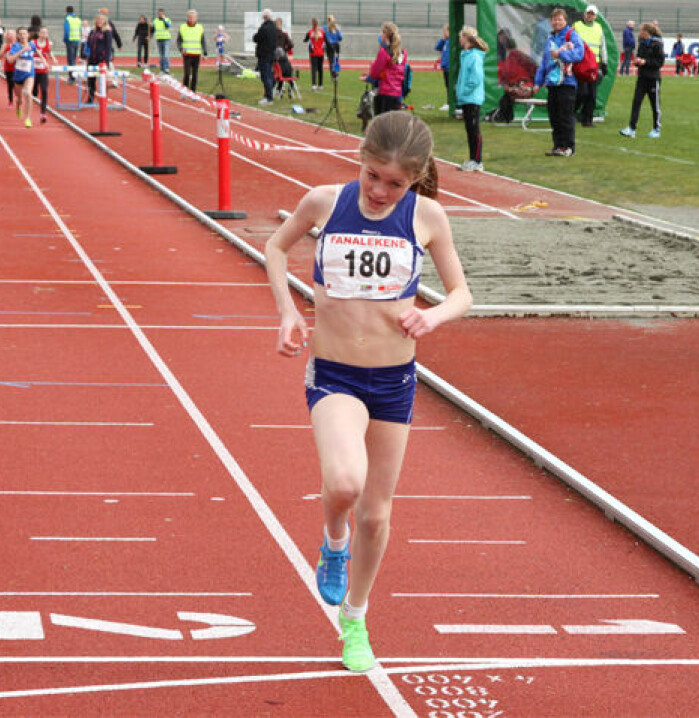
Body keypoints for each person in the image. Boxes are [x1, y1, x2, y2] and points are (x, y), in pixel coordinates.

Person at [264, 109, 472, 675]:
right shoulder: (324, 202)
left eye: (395, 183)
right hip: (333, 372)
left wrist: (436, 316)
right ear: (359, 160)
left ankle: (354, 620)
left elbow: (461, 293)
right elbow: (276, 248)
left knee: (377, 516)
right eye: (372, 176)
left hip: (394, 380)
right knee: (345, 483)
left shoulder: (426, 216)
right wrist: (288, 311)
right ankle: (334, 538)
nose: (380, 192)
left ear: (416, 179)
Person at [532, 8, 584, 157]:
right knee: (554, 116)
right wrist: (538, 81)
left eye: (560, 19)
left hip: (567, 82)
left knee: (565, 116)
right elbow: (544, 62)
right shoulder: (549, 40)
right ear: (551, 22)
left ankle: (568, 147)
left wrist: (561, 53)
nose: (557, 22)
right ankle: (558, 146)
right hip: (552, 83)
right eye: (554, 20)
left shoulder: (571, 35)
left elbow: (579, 54)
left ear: (565, 21)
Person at [619, 22, 664, 139]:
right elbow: (639, 56)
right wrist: (638, 62)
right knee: (636, 103)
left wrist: (646, 62)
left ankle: (656, 129)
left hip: (653, 79)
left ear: (646, 32)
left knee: (655, 105)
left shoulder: (657, 44)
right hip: (642, 77)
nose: (638, 33)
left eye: (640, 31)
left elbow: (659, 62)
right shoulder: (642, 43)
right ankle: (631, 128)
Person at [456, 26, 487, 172]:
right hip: (467, 98)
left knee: (474, 130)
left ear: (466, 38)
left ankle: (477, 161)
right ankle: (472, 159)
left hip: (472, 98)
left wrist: (465, 91)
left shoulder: (474, 56)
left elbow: (476, 78)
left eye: (461, 36)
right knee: (470, 129)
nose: (459, 39)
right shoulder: (466, 55)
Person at [572, 5, 607, 128]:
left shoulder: (599, 27)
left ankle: (587, 119)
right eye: (588, 13)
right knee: (582, 93)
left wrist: (605, 62)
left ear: (596, 16)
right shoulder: (577, 26)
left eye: (592, 14)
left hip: (594, 65)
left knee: (592, 94)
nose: (590, 16)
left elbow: (602, 46)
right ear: (584, 14)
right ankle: (572, 113)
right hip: (581, 64)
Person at [364, 22, 407, 117]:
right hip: (397, 93)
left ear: (385, 35)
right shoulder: (403, 53)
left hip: (385, 92)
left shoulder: (384, 52)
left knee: (382, 124)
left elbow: (375, 73)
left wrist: (368, 76)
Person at [8, 27, 36, 128]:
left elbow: (38, 52)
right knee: (19, 98)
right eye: (21, 34)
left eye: (25, 34)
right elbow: (10, 60)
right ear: (18, 36)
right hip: (18, 75)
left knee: (28, 93)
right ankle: (18, 106)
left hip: (29, 74)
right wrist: (22, 51)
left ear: (28, 35)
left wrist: (44, 61)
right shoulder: (15, 46)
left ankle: (28, 118)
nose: (23, 36)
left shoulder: (32, 45)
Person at [83, 13, 112, 103]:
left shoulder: (107, 32)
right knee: (91, 79)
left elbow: (108, 48)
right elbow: (88, 44)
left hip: (101, 59)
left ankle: (103, 98)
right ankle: (90, 98)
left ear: (104, 21)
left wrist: (106, 62)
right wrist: (86, 55)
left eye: (101, 20)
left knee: (102, 80)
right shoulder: (92, 32)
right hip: (92, 58)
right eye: (98, 19)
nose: (99, 21)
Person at [177, 9, 206, 94]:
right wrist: (181, 49)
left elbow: (203, 40)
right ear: (187, 17)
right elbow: (179, 40)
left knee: (195, 74)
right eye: (190, 17)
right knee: (187, 73)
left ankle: (193, 92)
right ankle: (185, 91)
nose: (191, 18)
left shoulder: (200, 27)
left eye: (193, 17)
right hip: (187, 55)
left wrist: (205, 52)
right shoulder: (183, 27)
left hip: (197, 55)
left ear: (196, 18)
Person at [253, 9, 278, 105]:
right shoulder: (274, 27)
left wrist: (256, 36)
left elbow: (256, 38)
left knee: (265, 76)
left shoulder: (264, 28)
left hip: (264, 54)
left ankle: (268, 97)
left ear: (264, 17)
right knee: (269, 75)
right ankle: (268, 94)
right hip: (271, 54)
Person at [32, 26, 55, 124]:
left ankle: (43, 113)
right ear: (39, 33)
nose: (44, 34)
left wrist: (53, 58)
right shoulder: (34, 43)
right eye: (42, 32)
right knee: (34, 91)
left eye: (46, 33)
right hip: (33, 71)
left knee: (44, 90)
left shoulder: (49, 43)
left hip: (43, 70)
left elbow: (49, 52)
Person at [305, 18, 325, 90]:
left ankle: (314, 84)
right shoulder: (322, 32)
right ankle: (320, 85)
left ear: (312, 24)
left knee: (314, 69)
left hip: (313, 53)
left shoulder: (310, 32)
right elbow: (325, 41)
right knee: (320, 69)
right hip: (321, 53)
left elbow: (305, 40)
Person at [0, 29, 16, 108]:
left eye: (12, 34)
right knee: (10, 84)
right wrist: (5, 51)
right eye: (9, 34)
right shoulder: (5, 45)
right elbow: (0, 55)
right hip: (8, 68)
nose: (10, 36)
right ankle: (11, 101)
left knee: (17, 84)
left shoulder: (18, 44)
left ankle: (18, 98)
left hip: (17, 68)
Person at [435, 24, 450, 110]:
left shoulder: (451, 41)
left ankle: (450, 103)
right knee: (447, 85)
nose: (444, 33)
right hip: (445, 67)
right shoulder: (446, 41)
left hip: (449, 68)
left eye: (445, 31)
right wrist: (442, 39)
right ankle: (449, 102)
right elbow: (437, 47)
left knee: (449, 86)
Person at [63, 6, 81, 78]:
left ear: (66, 11)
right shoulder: (78, 19)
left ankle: (71, 77)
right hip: (76, 40)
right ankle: (73, 75)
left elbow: (66, 31)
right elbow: (80, 30)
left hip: (70, 41)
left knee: (70, 60)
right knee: (74, 59)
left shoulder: (67, 19)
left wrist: (65, 39)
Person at [153, 8, 172, 74]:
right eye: (159, 14)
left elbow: (168, 26)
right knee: (161, 56)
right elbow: (153, 30)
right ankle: (162, 69)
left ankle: (166, 68)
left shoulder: (167, 19)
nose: (160, 15)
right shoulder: (155, 21)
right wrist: (150, 26)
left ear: (163, 14)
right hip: (159, 40)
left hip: (166, 39)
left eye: (161, 14)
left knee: (166, 55)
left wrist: (164, 19)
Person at [324, 15, 342, 80]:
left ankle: (333, 75)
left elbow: (324, 38)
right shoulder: (337, 27)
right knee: (336, 60)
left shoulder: (325, 28)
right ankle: (336, 75)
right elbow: (340, 38)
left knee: (331, 61)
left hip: (329, 46)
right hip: (336, 45)